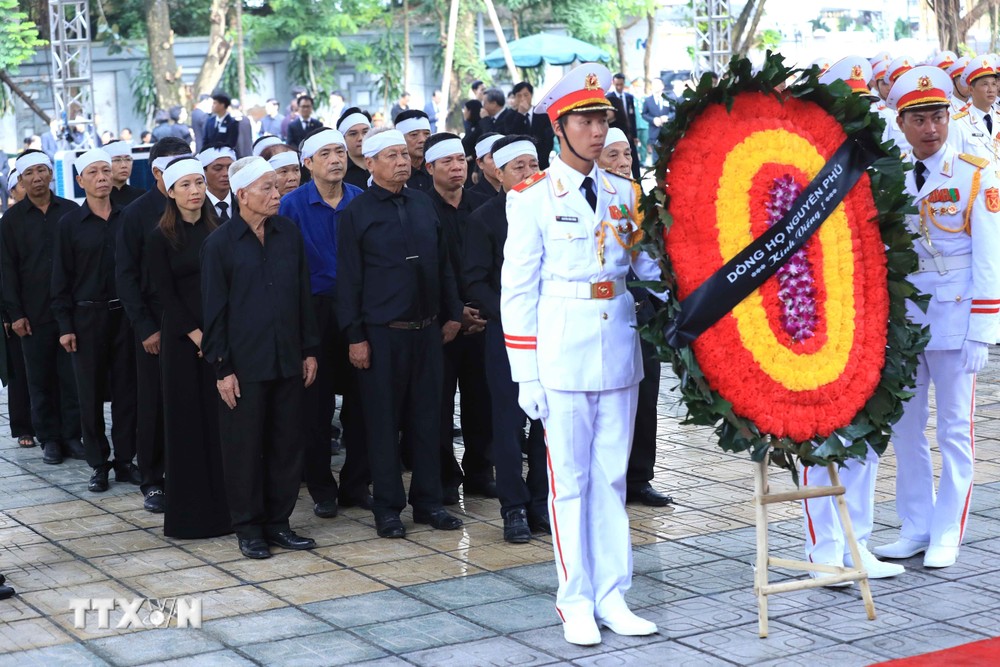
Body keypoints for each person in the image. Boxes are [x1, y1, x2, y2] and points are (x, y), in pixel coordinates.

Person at [501, 64, 664, 645]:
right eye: (586, 120)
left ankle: (613, 593)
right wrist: (526, 373)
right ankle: (573, 599)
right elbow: (517, 290)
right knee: (567, 482)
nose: (599, 131)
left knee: (611, 479)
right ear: (559, 126)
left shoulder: (625, 193)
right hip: (562, 352)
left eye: (603, 119)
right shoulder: (533, 198)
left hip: (617, 344)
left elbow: (648, 271)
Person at [871, 65, 1000, 569]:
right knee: (904, 430)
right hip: (906, 319)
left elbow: (990, 258)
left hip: (955, 315)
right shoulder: (893, 173)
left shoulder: (975, 172)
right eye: (919, 118)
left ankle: (948, 529)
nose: (931, 128)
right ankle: (915, 524)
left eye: (938, 116)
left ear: (950, 117)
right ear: (901, 124)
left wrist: (983, 331)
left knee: (953, 431)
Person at [337, 129, 465, 538]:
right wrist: (355, 336)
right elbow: (349, 281)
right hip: (381, 334)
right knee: (383, 422)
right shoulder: (356, 213)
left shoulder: (422, 202)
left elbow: (443, 265)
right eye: (390, 156)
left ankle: (428, 502)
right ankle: (388, 507)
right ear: (370, 163)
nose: (401, 162)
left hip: (428, 330)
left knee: (429, 419)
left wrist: (453, 314)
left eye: (403, 155)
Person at [201, 156, 320, 560]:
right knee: (244, 446)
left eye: (277, 187)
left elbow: (303, 296)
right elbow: (214, 312)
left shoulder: (288, 233)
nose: (277, 194)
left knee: (287, 443)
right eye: (267, 188)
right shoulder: (219, 244)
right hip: (244, 363)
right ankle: (248, 527)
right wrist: (222, 368)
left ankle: (278, 522)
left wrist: (308, 349)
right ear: (242, 194)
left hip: (288, 355)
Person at [463, 134, 550, 543]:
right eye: (519, 167)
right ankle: (513, 508)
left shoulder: (554, 209)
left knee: (547, 423)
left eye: (534, 164)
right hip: (508, 334)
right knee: (509, 424)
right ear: (497, 173)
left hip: (552, 330)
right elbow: (475, 281)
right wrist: (513, 313)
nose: (530, 173)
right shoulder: (484, 218)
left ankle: (541, 504)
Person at [279, 128, 369, 517]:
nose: (336, 159)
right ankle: (321, 488)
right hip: (314, 312)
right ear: (308, 163)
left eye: (340, 151)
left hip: (359, 311)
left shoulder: (361, 201)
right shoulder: (292, 206)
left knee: (363, 404)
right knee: (315, 408)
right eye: (326, 154)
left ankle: (355, 483)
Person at [146, 157, 231, 539]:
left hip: (221, 337)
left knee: (221, 426)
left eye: (199, 183)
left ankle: (229, 511)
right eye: (186, 185)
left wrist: (217, 336)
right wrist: (198, 336)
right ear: (171, 191)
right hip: (184, 342)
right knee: (186, 426)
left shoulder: (223, 229)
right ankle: (190, 518)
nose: (195, 190)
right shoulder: (159, 236)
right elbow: (165, 294)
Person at [51, 148, 138, 493]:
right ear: (80, 180)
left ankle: (125, 460)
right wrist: (65, 325)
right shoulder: (69, 224)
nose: (102, 177)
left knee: (127, 392)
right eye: (94, 172)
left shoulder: (127, 217)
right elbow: (60, 278)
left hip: (125, 316)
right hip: (86, 317)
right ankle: (98, 464)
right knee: (88, 394)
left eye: (106, 170)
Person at [595, 128, 673, 509]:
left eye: (627, 154)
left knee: (645, 393)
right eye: (613, 156)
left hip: (639, 303)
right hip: (593, 310)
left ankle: (639, 477)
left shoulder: (639, 198)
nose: (624, 163)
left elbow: (649, 260)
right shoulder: (582, 197)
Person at [116, 136, 193, 513]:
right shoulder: (137, 213)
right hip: (156, 322)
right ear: (158, 172)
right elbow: (126, 276)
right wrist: (145, 327)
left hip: (195, 323)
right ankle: (153, 479)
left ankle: (189, 473)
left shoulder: (199, 207)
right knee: (154, 401)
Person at [423, 133, 495, 503]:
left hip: (483, 319)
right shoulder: (420, 208)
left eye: (461, 161)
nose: (456, 168)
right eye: (447, 162)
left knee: (482, 402)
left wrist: (480, 310)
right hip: (443, 325)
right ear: (429, 167)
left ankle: (481, 473)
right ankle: (445, 478)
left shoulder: (483, 205)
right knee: (437, 404)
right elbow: (427, 270)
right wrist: (454, 313)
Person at [2, 151, 83, 465]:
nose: (36, 178)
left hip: (70, 311)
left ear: (51, 174)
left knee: (71, 375)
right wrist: (15, 313)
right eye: (29, 174)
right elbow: (6, 270)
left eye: (41, 171)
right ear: (20, 180)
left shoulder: (71, 211)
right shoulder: (11, 221)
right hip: (32, 313)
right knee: (39, 376)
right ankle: (48, 437)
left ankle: (72, 436)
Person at [1, 169, 38, 450]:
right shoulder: (8, 224)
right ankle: (23, 425)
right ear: (14, 191)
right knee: (21, 372)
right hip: (15, 310)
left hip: (47, 308)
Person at [949, 56, 999, 162]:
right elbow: (953, 163)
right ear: (971, 89)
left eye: (994, 84)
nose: (991, 90)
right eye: (985, 84)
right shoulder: (958, 123)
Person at [496, 82, 555, 170]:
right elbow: (509, 136)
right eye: (519, 96)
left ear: (531, 95)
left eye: (526, 95)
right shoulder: (509, 116)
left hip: (542, 162)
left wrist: (540, 159)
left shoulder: (542, 114)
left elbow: (549, 139)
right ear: (515, 97)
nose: (523, 98)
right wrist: (520, 114)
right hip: (519, 164)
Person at [605, 73, 640, 179]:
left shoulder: (629, 97)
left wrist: (634, 136)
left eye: (607, 109)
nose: (604, 112)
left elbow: (632, 117)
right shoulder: (604, 130)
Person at [395, 110, 433, 192]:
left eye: (427, 134)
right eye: (414, 135)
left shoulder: (436, 169)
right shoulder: (393, 173)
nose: (422, 140)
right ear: (400, 138)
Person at [198, 144, 238, 222]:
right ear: (203, 171)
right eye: (218, 168)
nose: (226, 173)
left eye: (230, 168)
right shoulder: (197, 205)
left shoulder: (243, 201)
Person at [338, 108, 372, 190]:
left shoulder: (384, 164)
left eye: (365, 132)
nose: (361, 138)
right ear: (343, 139)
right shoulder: (339, 171)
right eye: (353, 134)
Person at [105, 141, 143, 207]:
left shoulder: (141, 197)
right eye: (117, 160)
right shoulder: (100, 198)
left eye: (128, 159)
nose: (124, 165)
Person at [641, 79, 670, 165]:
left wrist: (668, 117)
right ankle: (657, 175)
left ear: (662, 86)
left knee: (667, 155)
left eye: (658, 84)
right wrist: (653, 119)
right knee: (656, 156)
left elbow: (674, 112)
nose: (656, 86)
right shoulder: (648, 100)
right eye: (654, 84)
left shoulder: (668, 98)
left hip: (667, 131)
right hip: (654, 131)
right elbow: (644, 114)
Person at [470, 133, 503, 198]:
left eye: (504, 155)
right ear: (480, 163)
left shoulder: (520, 193)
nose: (501, 160)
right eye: (492, 157)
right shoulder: (471, 198)